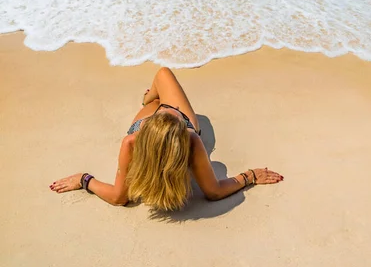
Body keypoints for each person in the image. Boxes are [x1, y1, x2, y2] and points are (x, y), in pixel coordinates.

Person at [50, 67, 284, 211]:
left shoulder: (132, 142)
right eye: (170, 112)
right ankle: (152, 98)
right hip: (168, 132)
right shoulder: (191, 140)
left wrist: (85, 179)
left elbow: (118, 197)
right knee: (163, 77)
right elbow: (214, 192)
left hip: (157, 131)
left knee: (158, 88)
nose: (169, 110)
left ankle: (150, 100)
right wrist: (250, 176)